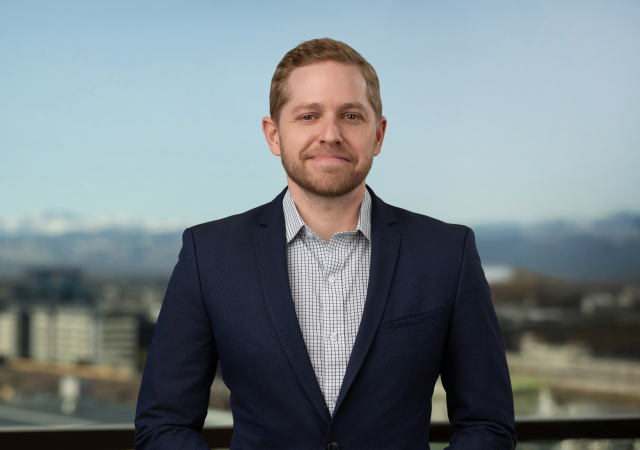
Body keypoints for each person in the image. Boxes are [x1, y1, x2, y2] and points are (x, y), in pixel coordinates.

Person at [135, 38, 516, 450]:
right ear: (274, 135)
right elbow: (163, 425)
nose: (330, 134)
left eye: (351, 116)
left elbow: (488, 425)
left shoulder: (447, 253)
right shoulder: (208, 255)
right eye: (308, 116)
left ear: (378, 135)